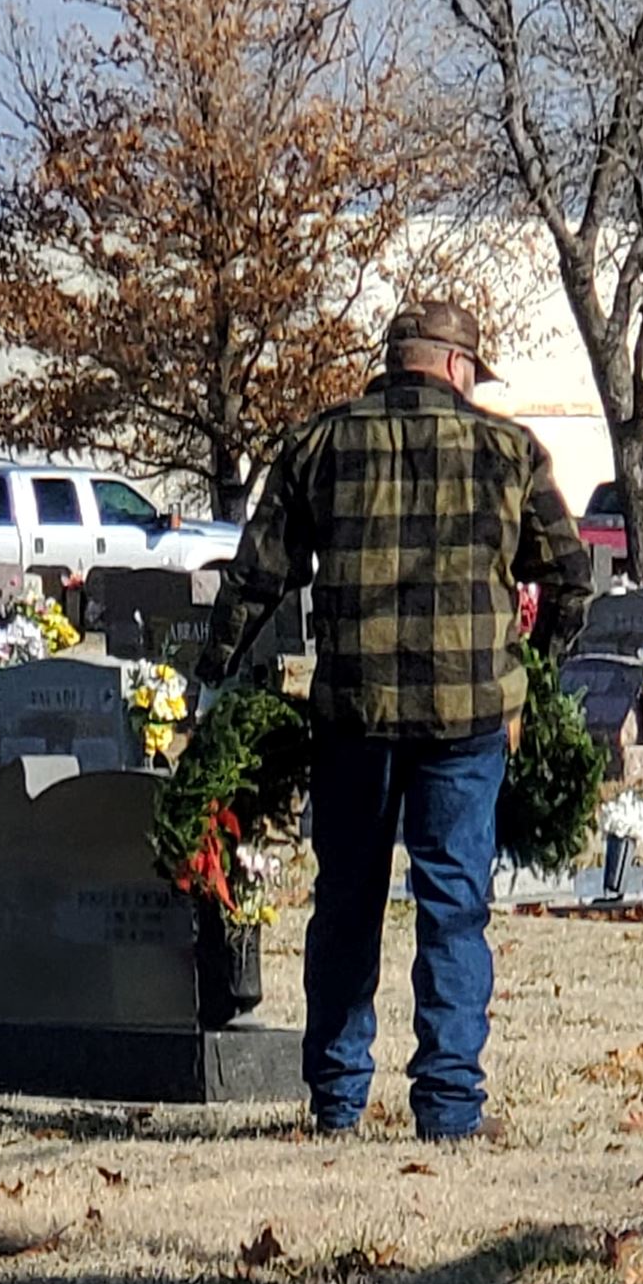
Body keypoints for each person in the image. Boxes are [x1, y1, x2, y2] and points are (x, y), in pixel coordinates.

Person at [195, 299, 592, 1140]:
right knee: (454, 905)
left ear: (394, 360)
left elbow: (256, 574)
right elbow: (570, 576)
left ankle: (336, 1101)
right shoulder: (509, 452)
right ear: (457, 368)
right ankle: (449, 1108)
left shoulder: (318, 443)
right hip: (469, 717)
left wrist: (213, 670)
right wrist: (535, 667)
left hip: (353, 716)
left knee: (345, 903)